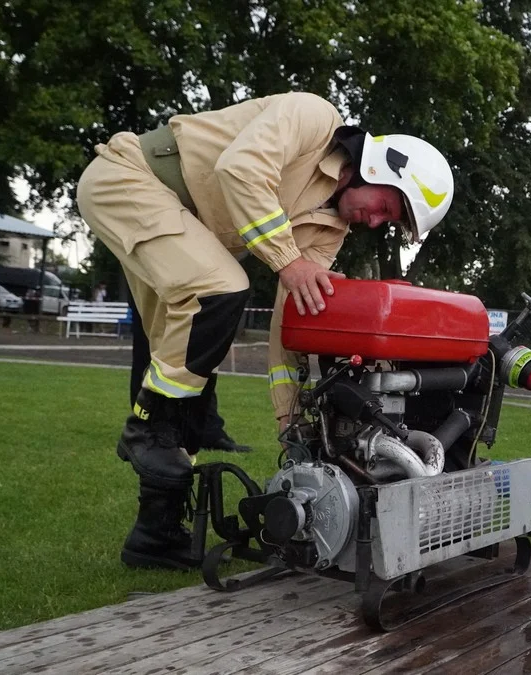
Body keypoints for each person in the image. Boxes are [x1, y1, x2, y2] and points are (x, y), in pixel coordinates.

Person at [76, 91, 455, 570]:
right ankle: (143, 430)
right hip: (129, 180)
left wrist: (290, 420)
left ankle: (155, 535)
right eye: (388, 209)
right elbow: (239, 169)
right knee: (221, 291)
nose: (376, 222)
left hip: (181, 223)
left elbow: (290, 322)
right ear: (380, 170)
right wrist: (287, 260)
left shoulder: (329, 230)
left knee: (187, 368)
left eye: (389, 223)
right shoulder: (313, 118)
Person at [126, 293, 254, 454]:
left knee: (199, 358)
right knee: (149, 352)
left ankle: (208, 429)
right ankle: (146, 428)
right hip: (154, 283)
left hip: (187, 283)